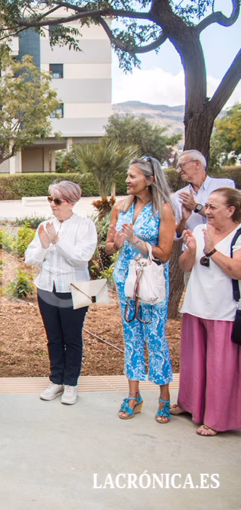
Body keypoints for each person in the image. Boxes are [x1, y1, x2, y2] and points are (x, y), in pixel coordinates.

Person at [105, 157, 175, 423]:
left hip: (152, 283)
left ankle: (164, 398)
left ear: (150, 179)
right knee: (131, 338)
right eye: (127, 175)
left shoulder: (164, 211)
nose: (127, 180)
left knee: (156, 338)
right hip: (126, 280)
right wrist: (118, 243)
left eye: (133, 176)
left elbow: (165, 254)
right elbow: (109, 247)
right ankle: (133, 396)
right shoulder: (120, 207)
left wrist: (135, 240)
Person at [174, 188, 241, 436]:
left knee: (219, 368)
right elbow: (185, 266)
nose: (207, 211)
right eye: (207, 206)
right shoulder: (202, 230)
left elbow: (237, 271)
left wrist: (212, 250)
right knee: (194, 362)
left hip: (224, 311)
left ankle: (216, 418)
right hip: (196, 305)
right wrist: (191, 250)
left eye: (213, 207)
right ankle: (190, 405)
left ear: (231, 210)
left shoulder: (239, 235)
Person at [25, 181, 97, 405]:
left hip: (76, 288)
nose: (52, 205)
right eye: (50, 199)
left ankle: (71, 384)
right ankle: (56, 380)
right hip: (47, 287)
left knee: (72, 338)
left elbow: (80, 258)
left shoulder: (85, 226)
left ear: (72, 201)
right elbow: (30, 259)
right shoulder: (45, 225)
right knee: (53, 338)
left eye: (57, 200)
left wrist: (57, 240)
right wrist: (45, 245)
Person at [171, 150, 235, 239]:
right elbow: (176, 235)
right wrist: (183, 220)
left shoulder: (225, 186)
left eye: (182, 165)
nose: (179, 171)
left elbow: (230, 218)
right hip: (193, 250)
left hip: (222, 248)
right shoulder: (178, 196)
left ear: (197, 164)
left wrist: (196, 207)